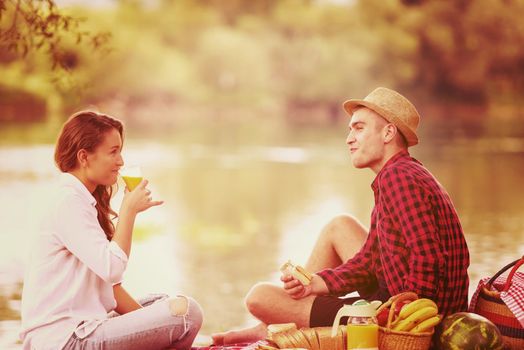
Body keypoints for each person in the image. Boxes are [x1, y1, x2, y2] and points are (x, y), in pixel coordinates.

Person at [212, 87, 470, 345]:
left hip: (410, 321)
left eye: (358, 128)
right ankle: (279, 321)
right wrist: (315, 283)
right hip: (400, 294)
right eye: (350, 130)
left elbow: (429, 257)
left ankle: (278, 323)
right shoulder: (403, 172)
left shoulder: (397, 178)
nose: (349, 138)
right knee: (340, 226)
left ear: (388, 133)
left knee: (259, 297)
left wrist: (405, 322)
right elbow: (369, 261)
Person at [20, 111, 203, 350]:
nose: (121, 161)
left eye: (120, 151)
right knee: (187, 313)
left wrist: (158, 328)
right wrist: (128, 211)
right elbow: (113, 269)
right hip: (65, 340)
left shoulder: (80, 200)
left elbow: (112, 291)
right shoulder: (68, 203)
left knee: (162, 303)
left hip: (83, 330)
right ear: (84, 157)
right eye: (113, 151)